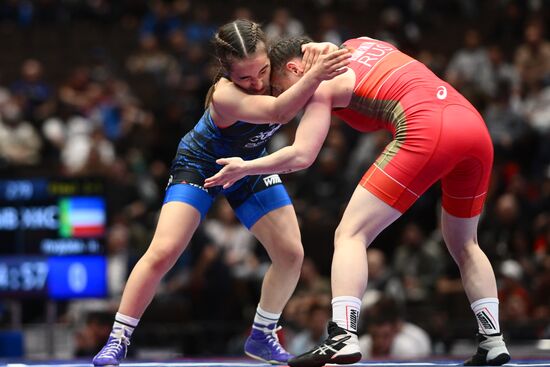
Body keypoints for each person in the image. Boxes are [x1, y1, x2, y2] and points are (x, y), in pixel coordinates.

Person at [205, 35, 511, 366]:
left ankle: (343, 336)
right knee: (465, 244)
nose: (286, 99)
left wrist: (245, 167)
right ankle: (492, 341)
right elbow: (339, 49)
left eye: (280, 88)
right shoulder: (359, 42)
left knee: (350, 233)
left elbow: (302, 155)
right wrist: (321, 46)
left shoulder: (319, 84)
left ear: (295, 68)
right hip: (473, 126)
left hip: (427, 127)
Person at [92, 20, 350, 366]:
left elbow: (334, 53)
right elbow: (279, 111)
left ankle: (262, 335)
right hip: (201, 165)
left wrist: (325, 51)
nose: (257, 83)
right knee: (165, 250)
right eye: (245, 78)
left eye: (262, 71)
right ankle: (117, 340)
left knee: (291, 253)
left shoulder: (282, 64)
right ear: (227, 73)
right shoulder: (225, 94)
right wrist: (316, 74)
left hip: (248, 163)